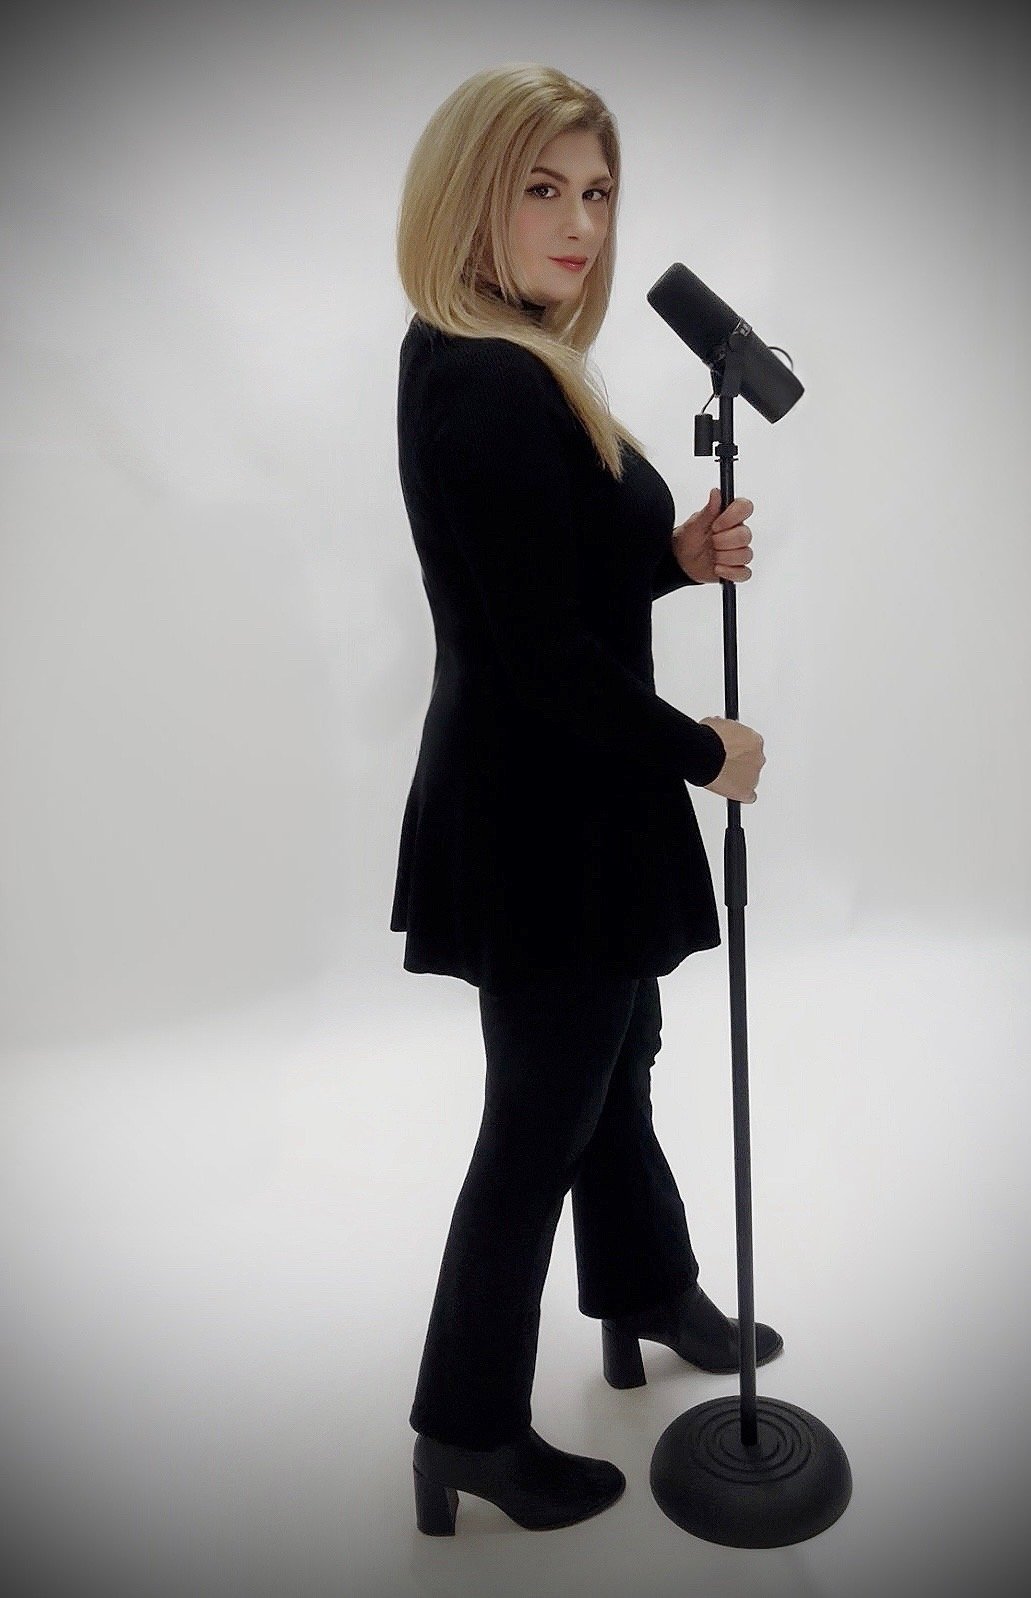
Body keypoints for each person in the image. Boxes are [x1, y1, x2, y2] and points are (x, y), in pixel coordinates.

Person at [391, 63, 780, 1537]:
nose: (578, 220)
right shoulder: (488, 373)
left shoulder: (503, 355)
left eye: (598, 191)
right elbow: (541, 656)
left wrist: (671, 554)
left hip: (566, 807)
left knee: (615, 1065)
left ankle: (644, 1289)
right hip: (542, 818)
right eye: (542, 187)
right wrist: (706, 753)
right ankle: (465, 1426)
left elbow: (549, 579)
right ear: (470, 193)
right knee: (537, 1124)